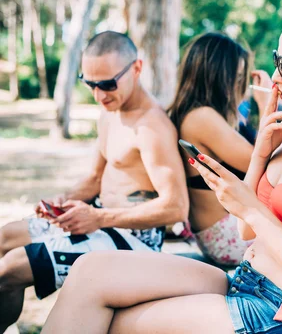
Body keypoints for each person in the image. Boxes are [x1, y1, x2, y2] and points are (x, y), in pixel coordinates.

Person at [41, 2, 282, 334]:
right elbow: (245, 231)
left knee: (116, 323)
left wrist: (250, 207)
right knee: (90, 272)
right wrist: (261, 153)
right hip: (246, 280)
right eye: (278, 61)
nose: (276, 78)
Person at [0, 31, 188, 333]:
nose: (100, 95)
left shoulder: (152, 126)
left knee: (11, 268)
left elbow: (176, 207)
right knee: (5, 238)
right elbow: (96, 178)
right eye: (90, 84)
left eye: (108, 84)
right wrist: (62, 200)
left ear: (136, 69)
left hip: (134, 241)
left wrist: (98, 218)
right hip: (100, 220)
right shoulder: (110, 112)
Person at [167, 32, 272, 265]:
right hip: (228, 237)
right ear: (218, 79)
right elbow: (264, 164)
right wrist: (266, 104)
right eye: (238, 79)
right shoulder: (201, 117)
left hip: (220, 235)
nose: (241, 89)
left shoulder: (193, 113)